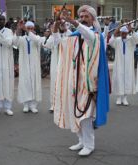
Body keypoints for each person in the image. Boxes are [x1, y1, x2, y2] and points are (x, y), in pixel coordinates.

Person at [52, 5, 110, 156]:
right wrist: (56, 29)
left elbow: (88, 35)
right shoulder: (75, 36)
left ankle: (89, 145)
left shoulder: (95, 36)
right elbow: (59, 44)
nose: (83, 19)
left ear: (92, 19)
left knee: (85, 115)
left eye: (86, 17)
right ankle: (81, 141)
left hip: (88, 84)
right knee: (74, 111)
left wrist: (74, 22)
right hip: (73, 82)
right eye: (81, 17)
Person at [13, 21, 43, 113]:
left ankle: (33, 105)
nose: (29, 30)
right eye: (28, 28)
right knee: (25, 83)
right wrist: (19, 28)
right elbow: (15, 42)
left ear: (34, 29)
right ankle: (25, 104)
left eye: (31, 28)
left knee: (34, 83)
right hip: (24, 65)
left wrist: (27, 31)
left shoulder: (37, 38)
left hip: (34, 65)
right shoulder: (22, 39)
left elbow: (37, 41)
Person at [43, 22, 72, 112]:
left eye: (63, 24)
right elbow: (46, 45)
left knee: (66, 83)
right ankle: (53, 104)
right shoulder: (54, 36)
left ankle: (66, 104)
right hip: (55, 64)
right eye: (60, 24)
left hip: (66, 64)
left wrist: (66, 30)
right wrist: (53, 32)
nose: (61, 26)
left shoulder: (69, 34)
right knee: (54, 84)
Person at [109, 25, 138, 105]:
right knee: (119, 79)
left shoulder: (131, 39)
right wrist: (116, 31)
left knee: (127, 80)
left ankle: (125, 98)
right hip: (119, 64)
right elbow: (111, 42)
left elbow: (137, 40)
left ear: (127, 33)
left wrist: (132, 30)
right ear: (120, 33)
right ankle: (119, 98)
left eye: (125, 33)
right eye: (122, 33)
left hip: (128, 64)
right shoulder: (117, 40)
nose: (123, 34)